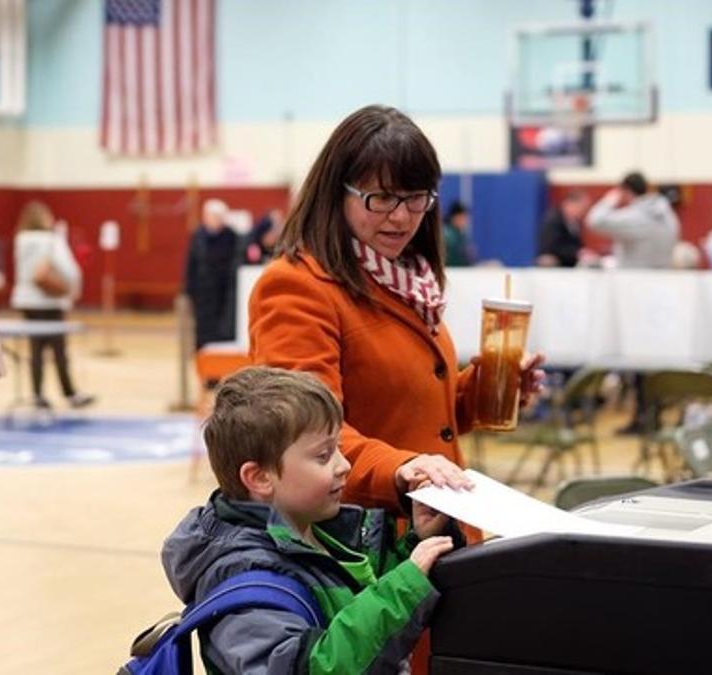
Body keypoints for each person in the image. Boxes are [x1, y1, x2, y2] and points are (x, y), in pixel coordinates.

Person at [247, 104, 544, 526]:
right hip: (365, 545)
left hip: (435, 525)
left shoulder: (409, 279)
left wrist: (492, 388)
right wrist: (402, 472)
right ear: (337, 194)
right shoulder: (297, 287)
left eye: (415, 198)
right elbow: (303, 435)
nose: (402, 216)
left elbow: (418, 412)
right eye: (381, 198)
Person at [163, 366, 459, 673]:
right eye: (323, 455)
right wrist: (404, 587)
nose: (344, 465)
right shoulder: (246, 587)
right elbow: (313, 667)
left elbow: (359, 600)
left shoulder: (314, 532)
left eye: (339, 449)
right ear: (260, 477)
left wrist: (417, 544)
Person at [10, 200, 95, 409]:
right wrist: (73, 291)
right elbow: (69, 270)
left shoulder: (20, 240)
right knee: (59, 350)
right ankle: (70, 393)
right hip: (49, 302)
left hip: (26, 301)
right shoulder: (51, 240)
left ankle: (37, 394)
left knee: (36, 349)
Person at [585, 171, 679, 269]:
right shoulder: (668, 215)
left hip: (634, 279)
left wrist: (609, 200)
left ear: (625, 190)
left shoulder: (635, 217)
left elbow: (594, 221)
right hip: (663, 277)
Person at [184, 198, 240, 348]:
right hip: (202, 291)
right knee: (202, 326)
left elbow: (235, 263)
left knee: (222, 327)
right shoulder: (198, 236)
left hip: (223, 292)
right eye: (211, 216)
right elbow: (191, 264)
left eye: (218, 216)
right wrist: (188, 290)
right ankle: (201, 354)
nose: (215, 220)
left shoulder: (231, 236)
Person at [535, 190, 590, 267]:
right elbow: (551, 246)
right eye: (581, 208)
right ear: (570, 204)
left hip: (569, 260)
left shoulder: (574, 222)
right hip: (555, 260)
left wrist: (583, 252)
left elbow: (576, 244)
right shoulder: (554, 220)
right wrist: (576, 253)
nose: (582, 212)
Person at [441, 200, 473, 266]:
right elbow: (455, 260)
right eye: (463, 217)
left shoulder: (459, 234)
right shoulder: (448, 235)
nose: (466, 221)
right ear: (455, 217)